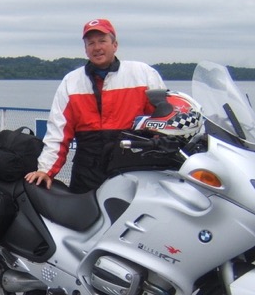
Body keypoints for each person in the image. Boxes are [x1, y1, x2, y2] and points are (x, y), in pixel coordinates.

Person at [24, 18, 166, 193]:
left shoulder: (143, 74)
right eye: (90, 43)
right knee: (81, 219)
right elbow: (58, 133)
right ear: (85, 49)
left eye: (102, 41)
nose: (97, 47)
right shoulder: (72, 81)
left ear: (115, 45)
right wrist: (45, 170)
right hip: (87, 171)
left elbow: (165, 119)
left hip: (132, 169)